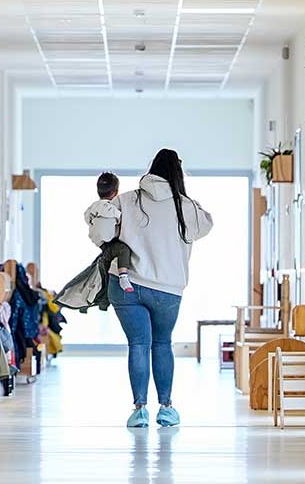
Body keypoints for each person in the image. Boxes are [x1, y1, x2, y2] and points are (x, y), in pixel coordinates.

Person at [89, 149, 213, 428]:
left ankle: (139, 410)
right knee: (161, 343)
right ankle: (166, 408)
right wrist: (186, 198)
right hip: (168, 290)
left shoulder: (126, 200)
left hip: (126, 284)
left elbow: (102, 234)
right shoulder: (186, 206)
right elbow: (206, 225)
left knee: (138, 345)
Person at [55, 171, 136, 312]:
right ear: (116, 192)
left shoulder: (94, 207)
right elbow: (121, 218)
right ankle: (123, 277)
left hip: (100, 243)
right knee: (124, 250)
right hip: (109, 242)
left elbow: (86, 217)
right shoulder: (110, 208)